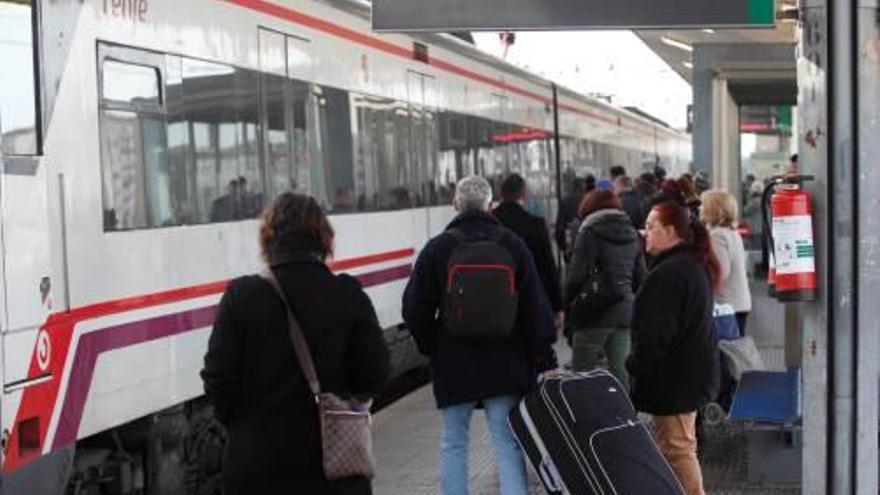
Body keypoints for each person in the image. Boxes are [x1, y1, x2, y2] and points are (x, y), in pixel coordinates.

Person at [202, 193, 392, 495]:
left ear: (268, 241)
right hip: (331, 470)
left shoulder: (241, 296)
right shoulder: (346, 294)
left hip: (257, 468)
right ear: (324, 239)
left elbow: (217, 379)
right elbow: (376, 372)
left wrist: (246, 427)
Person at [402, 175, 557, 495]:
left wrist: (433, 343)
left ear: (456, 205)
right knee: (506, 441)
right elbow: (534, 306)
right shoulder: (512, 244)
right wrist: (544, 357)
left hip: (455, 362)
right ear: (490, 205)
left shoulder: (438, 248)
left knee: (453, 442)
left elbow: (414, 308)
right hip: (507, 361)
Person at [627, 200, 720, 495]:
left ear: (670, 232)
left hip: (676, 378)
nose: (645, 233)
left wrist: (635, 364)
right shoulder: (691, 265)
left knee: (679, 450)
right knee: (677, 447)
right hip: (689, 373)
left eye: (652, 227)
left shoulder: (670, 273)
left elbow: (655, 335)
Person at [564, 190, 645, 390]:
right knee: (621, 373)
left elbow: (575, 277)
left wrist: (568, 304)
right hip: (624, 313)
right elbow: (641, 277)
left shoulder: (589, 232)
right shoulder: (633, 233)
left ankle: (583, 417)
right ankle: (624, 416)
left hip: (592, 312)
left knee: (582, 374)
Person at [493, 173, 564, 329]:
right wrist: (556, 306)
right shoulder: (535, 224)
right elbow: (547, 266)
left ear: (500, 194)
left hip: (494, 298)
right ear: (523, 194)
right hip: (529, 298)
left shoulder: (489, 222)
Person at [700, 190, 751, 332]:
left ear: (714, 209)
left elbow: (720, 271)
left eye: (703, 205)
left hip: (726, 305)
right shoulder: (732, 233)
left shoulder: (717, 236)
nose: (700, 208)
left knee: (725, 350)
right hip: (739, 302)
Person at [555, 175, 594, 254]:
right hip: (586, 241)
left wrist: (562, 246)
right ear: (583, 186)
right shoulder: (588, 199)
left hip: (570, 241)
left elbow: (560, 225)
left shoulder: (565, 200)